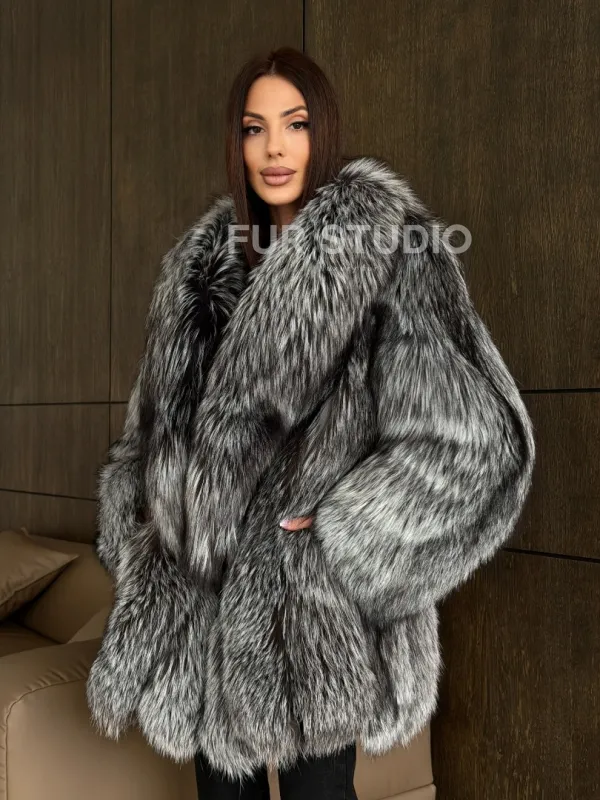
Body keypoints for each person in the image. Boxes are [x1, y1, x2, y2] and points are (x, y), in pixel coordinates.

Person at [86, 47, 536, 799]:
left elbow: (475, 439)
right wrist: (146, 525)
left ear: (321, 131)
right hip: (202, 610)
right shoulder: (198, 269)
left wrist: (343, 530)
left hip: (313, 612)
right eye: (254, 128)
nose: (274, 148)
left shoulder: (391, 249)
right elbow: (152, 429)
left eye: (294, 124)